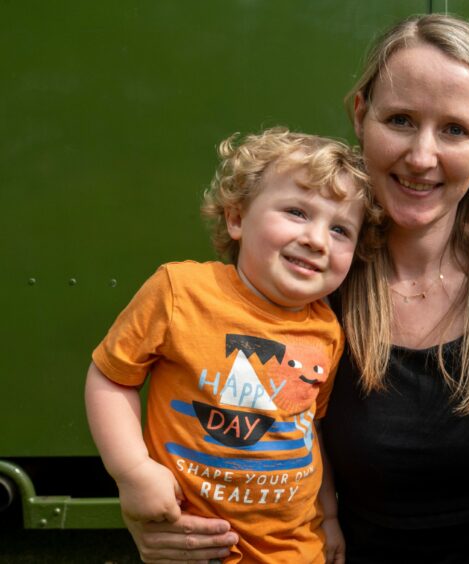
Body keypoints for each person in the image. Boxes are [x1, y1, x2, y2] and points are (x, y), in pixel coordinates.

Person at [121, 14, 469, 564]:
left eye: (454, 129)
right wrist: (160, 517)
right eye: (401, 119)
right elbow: (213, 425)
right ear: (361, 115)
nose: (423, 156)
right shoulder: (305, 275)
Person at [85, 127, 379, 563]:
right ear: (237, 217)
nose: (317, 239)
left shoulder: (327, 330)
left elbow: (308, 430)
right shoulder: (179, 291)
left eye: (340, 230)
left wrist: (329, 515)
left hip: (295, 548)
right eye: (297, 212)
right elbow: (111, 377)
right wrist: (132, 471)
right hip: (198, 542)